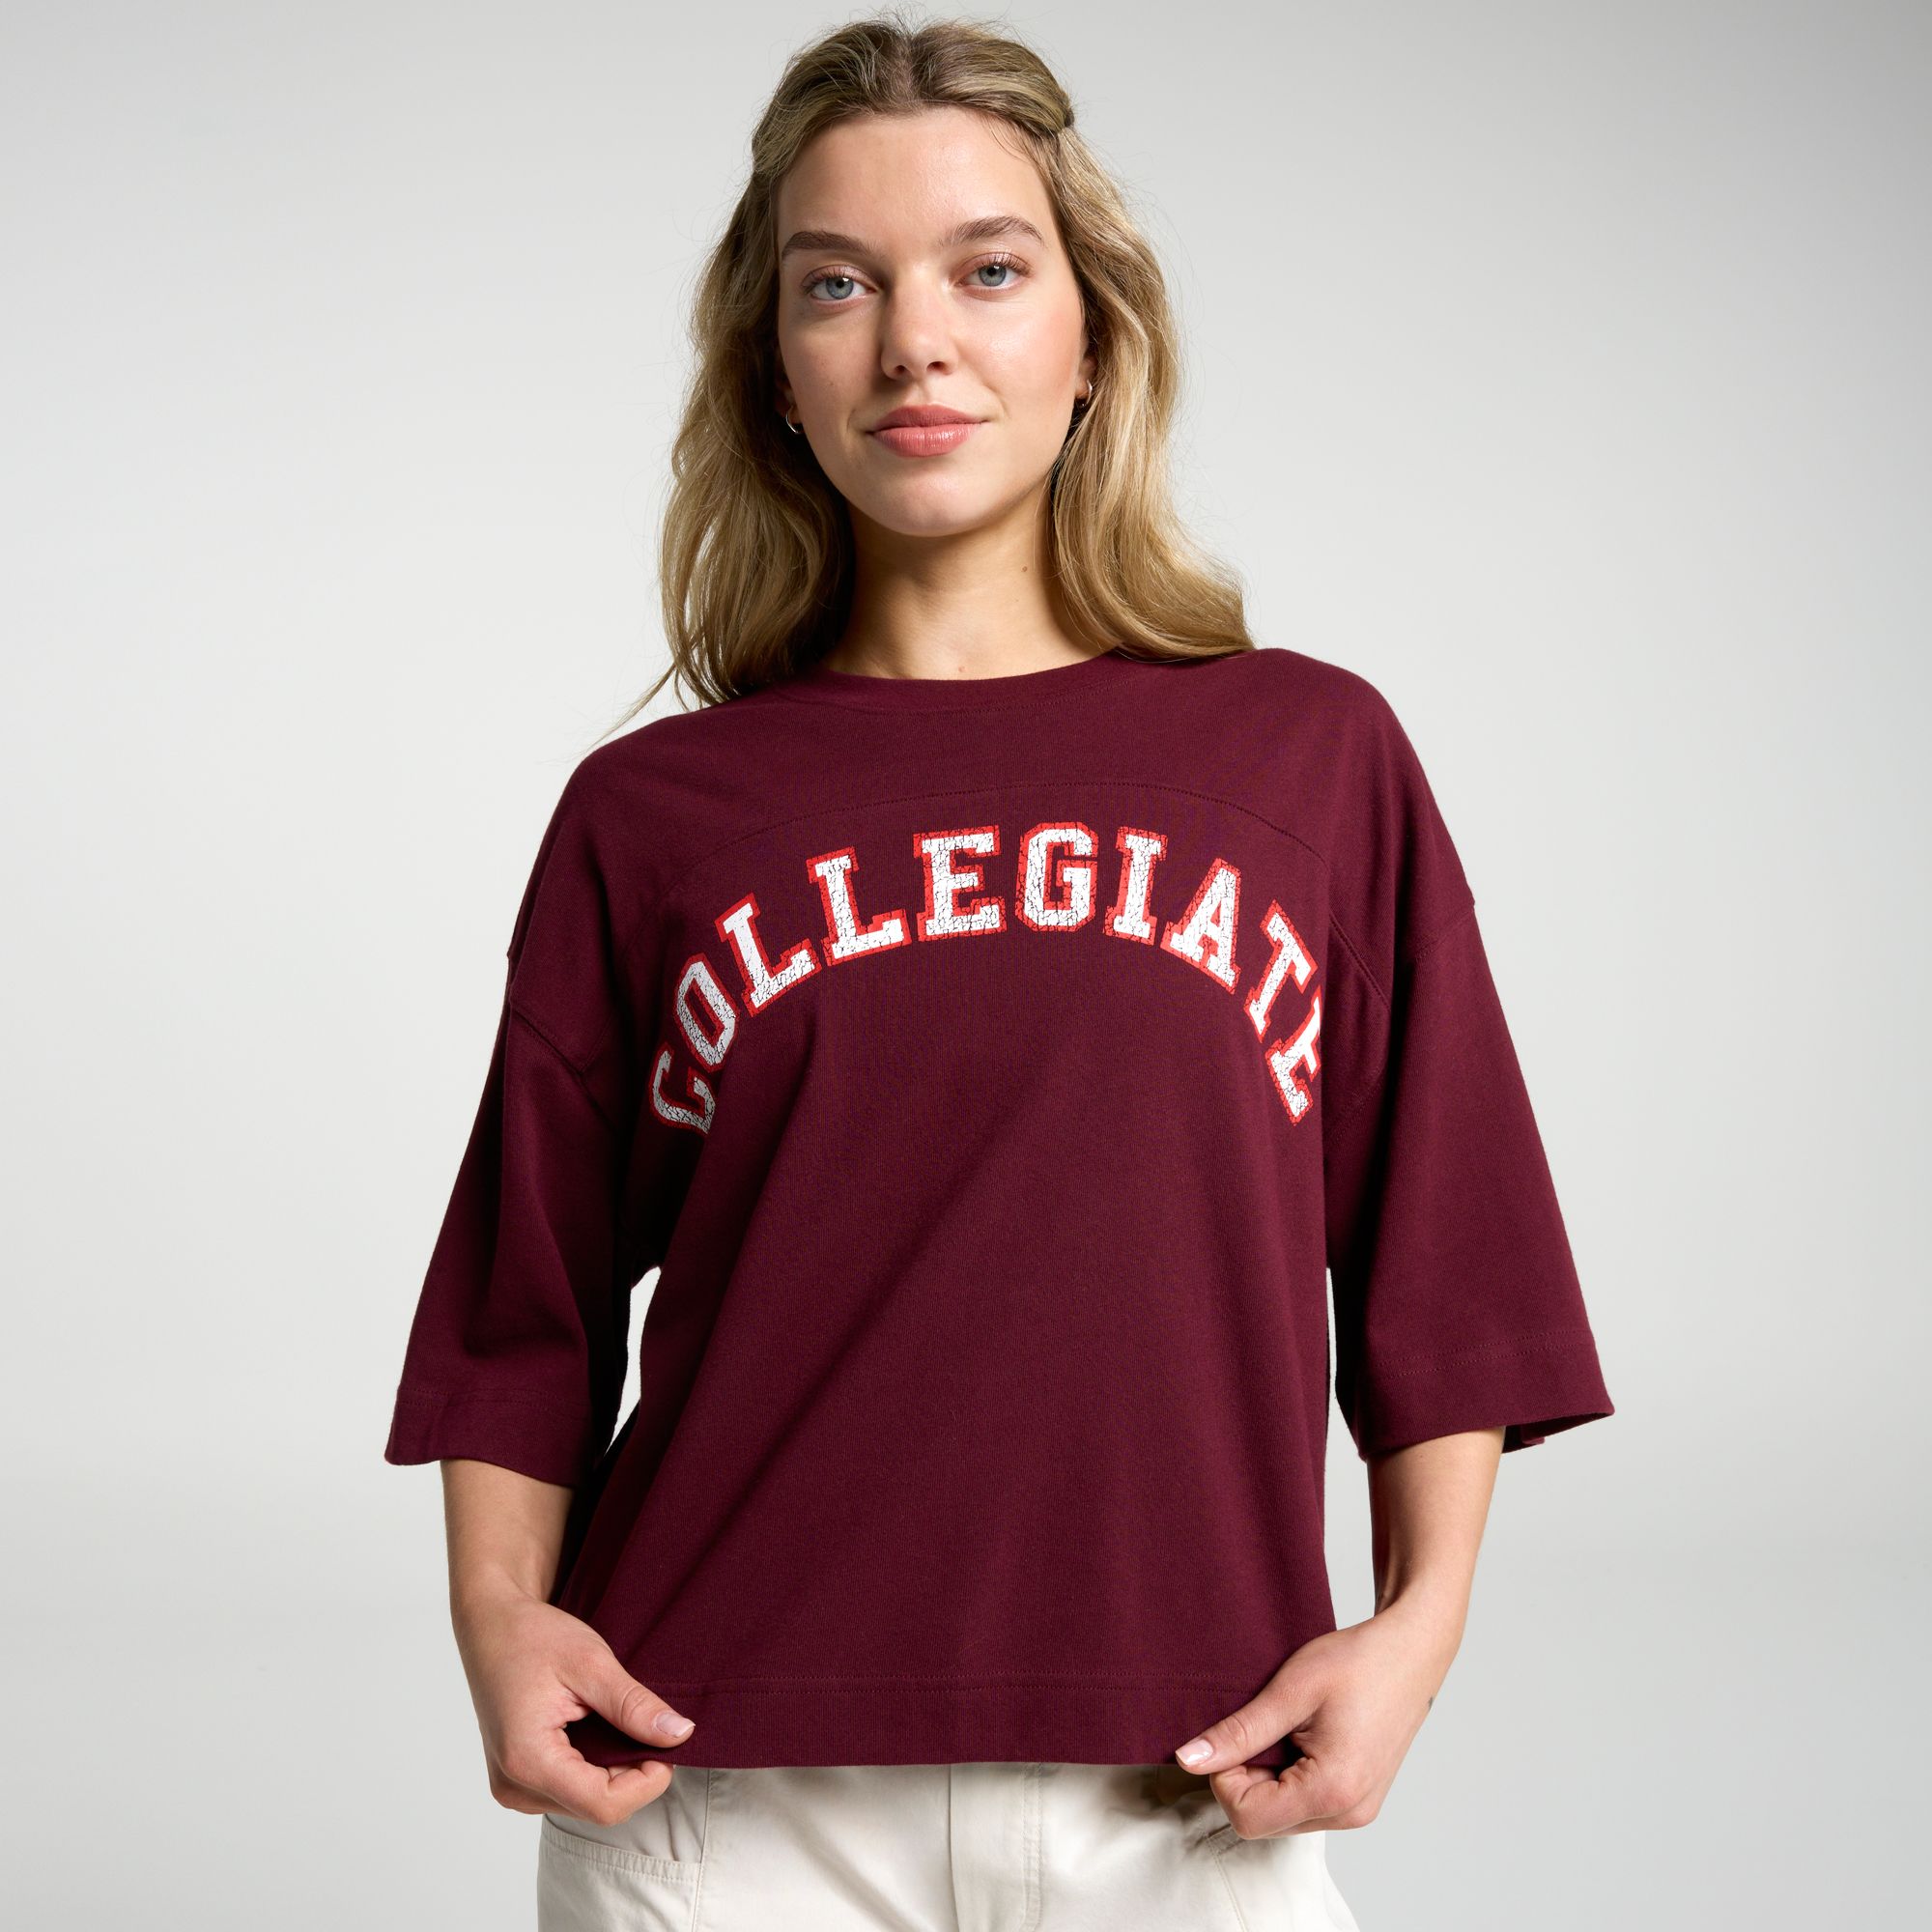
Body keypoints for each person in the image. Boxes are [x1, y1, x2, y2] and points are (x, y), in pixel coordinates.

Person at [382, 14, 1615, 1929]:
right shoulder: (653, 814)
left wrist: (1420, 1625)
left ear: (1092, 334)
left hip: (1190, 1789)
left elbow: (1446, 1261)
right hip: (715, 1800)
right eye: (835, 284)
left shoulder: (1309, 760)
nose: (913, 343)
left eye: (985, 268)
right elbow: (519, 1305)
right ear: (775, 370)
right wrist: (495, 1616)